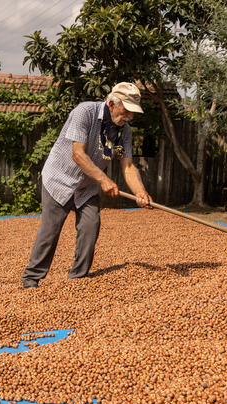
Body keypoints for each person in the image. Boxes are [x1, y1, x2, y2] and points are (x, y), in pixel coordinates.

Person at [21, 82, 153, 288]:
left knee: (91, 226)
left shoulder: (124, 131)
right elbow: (78, 154)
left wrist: (140, 192)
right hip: (60, 179)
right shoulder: (85, 112)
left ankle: (78, 277)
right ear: (111, 104)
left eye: (133, 112)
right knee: (51, 230)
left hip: (87, 185)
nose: (130, 117)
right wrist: (103, 180)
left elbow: (128, 166)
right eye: (126, 110)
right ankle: (31, 278)